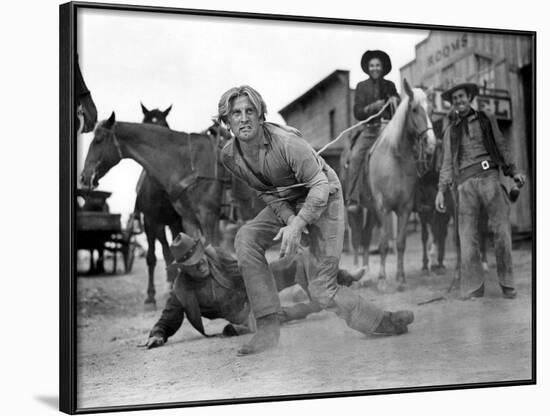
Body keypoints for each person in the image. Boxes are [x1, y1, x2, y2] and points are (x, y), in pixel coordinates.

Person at [218, 85, 414, 355]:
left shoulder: (287, 143)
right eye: (236, 113)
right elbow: (266, 191)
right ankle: (267, 328)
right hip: (287, 201)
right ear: (226, 121)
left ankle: (386, 321)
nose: (243, 118)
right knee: (246, 237)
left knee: (321, 289)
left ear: (261, 114)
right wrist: (289, 219)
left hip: (324, 196)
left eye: (249, 111)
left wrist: (298, 224)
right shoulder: (229, 156)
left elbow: (320, 187)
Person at [143, 231, 366, 349]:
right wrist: (158, 334)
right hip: (244, 317)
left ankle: (344, 277)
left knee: (295, 261)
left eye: (199, 257)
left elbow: (243, 268)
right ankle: (314, 306)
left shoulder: (215, 256)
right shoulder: (182, 290)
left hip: (252, 286)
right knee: (276, 317)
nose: (201, 264)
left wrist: (268, 270)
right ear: (183, 269)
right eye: (193, 264)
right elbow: (167, 319)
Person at [435, 80, 526, 299]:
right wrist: (440, 189)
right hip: (465, 184)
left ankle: (507, 283)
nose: (459, 101)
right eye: (455, 99)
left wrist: (513, 172)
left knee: (501, 230)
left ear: (469, 98)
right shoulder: (450, 131)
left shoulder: (486, 119)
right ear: (452, 103)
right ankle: (474, 286)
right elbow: (447, 163)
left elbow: (501, 146)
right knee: (466, 235)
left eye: (462, 97)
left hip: (489, 178)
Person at [346, 50, 400, 213]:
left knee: (406, 150)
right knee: (355, 156)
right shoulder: (361, 87)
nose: (375, 68)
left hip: (387, 129)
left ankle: (413, 195)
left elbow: (398, 105)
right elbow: (357, 112)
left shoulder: (390, 85)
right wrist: (372, 107)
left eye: (377, 65)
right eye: (372, 65)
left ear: (382, 68)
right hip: (369, 130)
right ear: (368, 68)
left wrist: (395, 100)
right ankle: (352, 198)